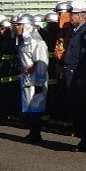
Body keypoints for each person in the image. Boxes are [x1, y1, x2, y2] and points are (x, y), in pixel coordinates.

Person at [64, 0, 86, 152]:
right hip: (72, 73)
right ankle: (83, 139)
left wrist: (81, 77)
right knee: (74, 108)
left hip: (78, 75)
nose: (70, 17)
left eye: (72, 14)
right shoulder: (77, 32)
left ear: (81, 15)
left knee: (81, 109)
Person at [14, 14, 49, 144]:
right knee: (28, 107)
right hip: (27, 79)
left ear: (27, 26)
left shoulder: (37, 42)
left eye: (19, 24)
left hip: (35, 80)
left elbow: (41, 62)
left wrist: (39, 83)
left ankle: (36, 134)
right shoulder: (25, 41)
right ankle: (32, 132)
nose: (17, 27)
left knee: (35, 107)